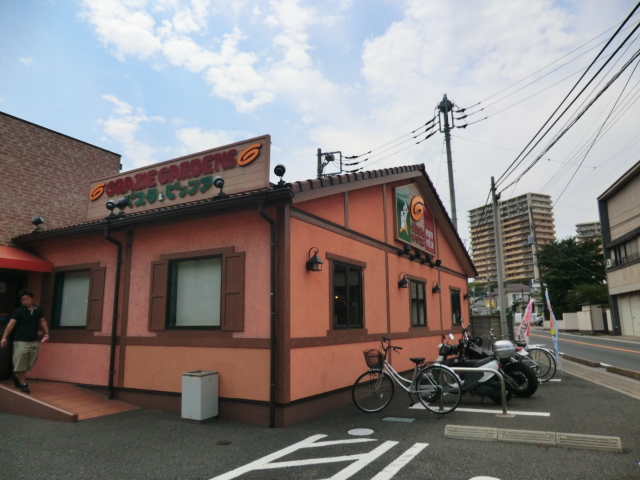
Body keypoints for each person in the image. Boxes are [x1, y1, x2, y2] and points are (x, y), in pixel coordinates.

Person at [0, 290, 49, 394]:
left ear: (32, 299)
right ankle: (23, 384)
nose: (25, 301)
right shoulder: (18, 311)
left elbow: (43, 321)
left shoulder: (38, 310)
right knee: (21, 363)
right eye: (23, 300)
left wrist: (47, 333)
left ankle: (16, 376)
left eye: (27, 299)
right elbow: (11, 325)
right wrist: (4, 337)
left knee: (29, 364)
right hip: (21, 341)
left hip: (33, 341)